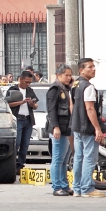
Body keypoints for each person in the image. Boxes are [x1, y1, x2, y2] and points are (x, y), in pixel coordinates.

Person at [71, 58, 105, 198]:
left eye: (94, 66)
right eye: (90, 67)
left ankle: (77, 188)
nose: (93, 69)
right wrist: (97, 129)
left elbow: (72, 106)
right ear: (81, 69)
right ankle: (87, 188)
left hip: (77, 126)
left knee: (78, 158)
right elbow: (90, 109)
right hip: (87, 127)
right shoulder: (88, 87)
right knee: (89, 158)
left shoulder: (75, 84)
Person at [46, 65, 74, 196]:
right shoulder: (54, 89)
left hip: (66, 127)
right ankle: (57, 186)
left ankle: (64, 184)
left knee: (64, 159)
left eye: (70, 75)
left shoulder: (66, 89)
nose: (69, 78)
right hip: (59, 128)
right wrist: (55, 127)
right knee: (57, 159)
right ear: (58, 75)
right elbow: (51, 110)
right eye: (66, 75)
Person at [6, 71, 38, 173]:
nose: (28, 84)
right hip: (17, 119)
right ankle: (11, 163)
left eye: (29, 82)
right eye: (26, 82)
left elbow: (36, 106)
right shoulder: (13, 90)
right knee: (17, 142)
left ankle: (20, 165)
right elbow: (7, 104)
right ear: (20, 79)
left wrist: (31, 104)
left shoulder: (30, 91)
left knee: (25, 144)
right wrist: (21, 102)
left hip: (28, 119)